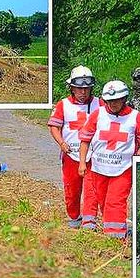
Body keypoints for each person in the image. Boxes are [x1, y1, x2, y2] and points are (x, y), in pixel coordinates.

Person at [78, 80, 140, 239]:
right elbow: (85, 140)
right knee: (104, 202)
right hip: (98, 168)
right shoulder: (97, 114)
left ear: (124, 99)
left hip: (123, 169)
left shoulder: (136, 118)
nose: (113, 104)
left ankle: (116, 239)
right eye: (110, 100)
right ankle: (111, 232)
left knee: (115, 202)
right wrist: (82, 162)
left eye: (117, 100)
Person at [48, 66, 102, 229]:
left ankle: (89, 220)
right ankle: (74, 217)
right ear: (72, 88)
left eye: (86, 89)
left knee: (92, 188)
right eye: (79, 89)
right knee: (72, 189)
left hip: (93, 155)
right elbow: (53, 127)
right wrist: (62, 143)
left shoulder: (100, 104)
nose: (83, 92)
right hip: (70, 155)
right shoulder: (63, 105)